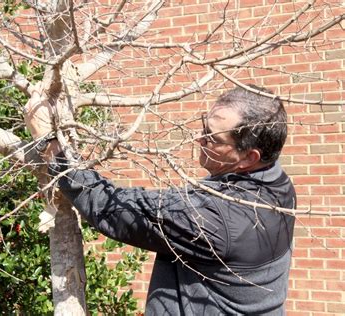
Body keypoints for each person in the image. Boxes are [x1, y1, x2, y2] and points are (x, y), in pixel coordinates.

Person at [26, 84, 296, 315]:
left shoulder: (214, 218)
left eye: (212, 137)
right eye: (204, 125)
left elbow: (111, 208)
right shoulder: (278, 186)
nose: (198, 138)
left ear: (249, 157)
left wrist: (52, 148)